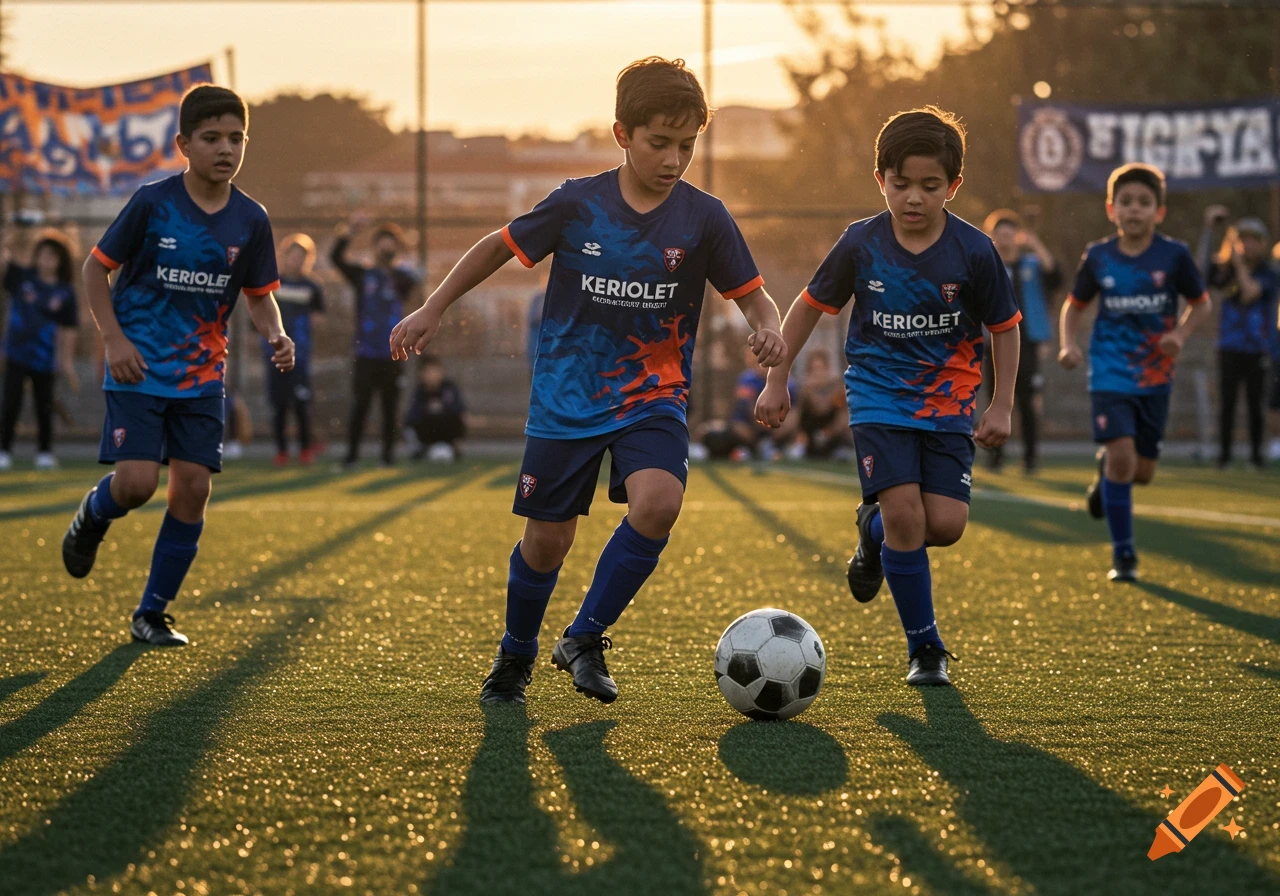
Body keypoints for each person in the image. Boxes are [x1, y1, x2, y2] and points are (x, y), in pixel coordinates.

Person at [390, 57, 785, 705]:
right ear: (622, 134)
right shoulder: (577, 203)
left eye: (687, 145)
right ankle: (516, 653)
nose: (674, 159)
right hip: (567, 399)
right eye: (660, 142)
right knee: (548, 542)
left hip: (653, 398)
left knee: (658, 502)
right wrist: (433, 307)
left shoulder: (705, 218)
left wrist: (767, 335)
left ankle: (585, 635)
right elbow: (496, 246)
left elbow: (756, 299)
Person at [757, 106, 1021, 688]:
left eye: (930, 186)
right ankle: (925, 649)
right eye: (901, 184)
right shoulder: (861, 243)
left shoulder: (974, 251)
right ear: (881, 180)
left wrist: (1001, 404)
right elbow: (807, 307)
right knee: (907, 516)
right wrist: (779, 381)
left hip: (949, 402)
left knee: (945, 524)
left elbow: (1005, 327)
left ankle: (869, 531)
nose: (914, 198)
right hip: (877, 397)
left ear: (953, 186)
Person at [60, 84, 294, 647]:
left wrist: (277, 334)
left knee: (191, 491)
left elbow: (259, 294)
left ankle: (152, 613)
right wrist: (113, 340)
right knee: (137, 484)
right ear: (183, 144)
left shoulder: (251, 220)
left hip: (201, 377)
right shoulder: (152, 202)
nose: (226, 149)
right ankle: (92, 515)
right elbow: (96, 271)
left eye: (236, 138)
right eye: (211, 138)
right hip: (138, 370)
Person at [1058, 163, 1210, 583]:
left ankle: (1105, 472)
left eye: (1144, 203)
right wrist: (1068, 344)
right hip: (1109, 373)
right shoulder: (1099, 256)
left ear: (1158, 212)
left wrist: (1180, 334)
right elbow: (1074, 305)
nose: (1134, 210)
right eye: (1126, 202)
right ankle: (1124, 556)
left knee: (1140, 472)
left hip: (1155, 378)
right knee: (1124, 460)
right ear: (1111, 209)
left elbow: (1202, 303)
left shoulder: (1174, 255)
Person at [331, 219, 420, 468]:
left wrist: (408, 248)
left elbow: (417, 286)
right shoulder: (363, 275)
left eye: (392, 242)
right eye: (382, 241)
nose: (386, 247)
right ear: (375, 246)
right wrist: (349, 231)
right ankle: (351, 457)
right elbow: (336, 258)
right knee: (360, 405)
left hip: (394, 352)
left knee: (390, 408)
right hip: (365, 352)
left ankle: (388, 458)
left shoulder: (402, 277)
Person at [981, 209, 1062, 474]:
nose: (1004, 240)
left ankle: (1030, 459)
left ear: (1017, 237)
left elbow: (1055, 276)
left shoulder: (1031, 264)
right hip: (994, 343)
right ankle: (995, 458)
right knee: (995, 400)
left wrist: (1036, 243)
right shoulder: (986, 265)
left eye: (1009, 234)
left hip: (1028, 342)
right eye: (998, 235)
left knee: (1028, 403)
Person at [1196, 209, 1275, 470]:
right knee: (1226, 405)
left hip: (1258, 348)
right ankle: (1224, 457)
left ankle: (1255, 457)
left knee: (1255, 406)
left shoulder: (1269, 273)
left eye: (1253, 239)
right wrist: (1209, 230)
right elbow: (1202, 273)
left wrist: (1239, 263)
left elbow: (1250, 292)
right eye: (1242, 239)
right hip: (1229, 347)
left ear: (1262, 243)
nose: (1247, 245)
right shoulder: (1226, 271)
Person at [0, 229, 80, 470]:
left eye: (52, 256)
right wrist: (5, 236)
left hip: (44, 359)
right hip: (15, 354)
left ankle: (44, 452)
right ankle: (3, 450)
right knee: (10, 402)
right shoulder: (22, 278)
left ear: (60, 260)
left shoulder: (65, 292)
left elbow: (69, 330)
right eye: (43, 254)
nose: (47, 259)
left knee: (43, 405)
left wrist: (66, 363)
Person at [267, 233, 326, 466]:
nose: (297, 260)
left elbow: (318, 318)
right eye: (293, 255)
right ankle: (281, 451)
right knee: (279, 404)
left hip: (300, 357)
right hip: (275, 354)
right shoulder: (273, 283)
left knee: (301, 403)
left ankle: (305, 450)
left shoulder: (312, 286)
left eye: (302, 256)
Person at [405, 355, 465, 460]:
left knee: (458, 419)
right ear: (422, 375)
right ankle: (420, 449)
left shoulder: (449, 388)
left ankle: (456, 448)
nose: (432, 376)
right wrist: (428, 410)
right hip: (427, 429)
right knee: (410, 426)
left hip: (445, 428)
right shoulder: (420, 392)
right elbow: (412, 416)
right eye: (428, 372)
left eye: (435, 371)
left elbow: (458, 409)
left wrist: (442, 409)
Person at [795, 349, 853, 459]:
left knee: (844, 412)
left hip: (829, 433)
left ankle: (837, 446)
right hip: (809, 432)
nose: (818, 373)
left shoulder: (836, 388)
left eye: (821, 368)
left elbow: (840, 412)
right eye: (815, 369)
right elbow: (814, 409)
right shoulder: (804, 390)